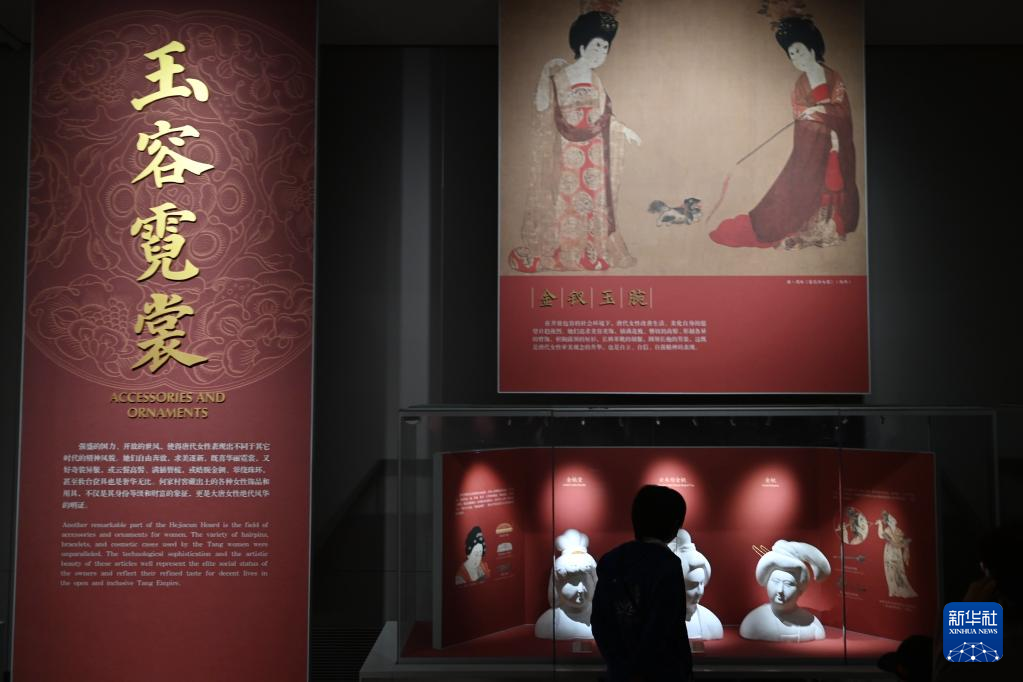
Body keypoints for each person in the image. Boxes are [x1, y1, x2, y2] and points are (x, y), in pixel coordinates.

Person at [508, 10, 641, 273]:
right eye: (596, 45)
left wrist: (624, 130)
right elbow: (542, 107)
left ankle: (588, 252)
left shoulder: (596, 80)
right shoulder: (559, 77)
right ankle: (562, 250)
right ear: (581, 45)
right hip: (565, 151)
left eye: (605, 47)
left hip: (594, 154)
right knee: (564, 201)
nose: (600, 52)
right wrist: (545, 74)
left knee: (591, 203)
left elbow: (605, 116)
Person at [711, 16, 859, 249]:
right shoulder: (800, 84)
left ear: (812, 49)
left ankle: (830, 228)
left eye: (800, 51)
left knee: (832, 183)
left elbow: (842, 110)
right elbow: (800, 114)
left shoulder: (832, 77)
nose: (797, 58)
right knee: (800, 184)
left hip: (836, 143)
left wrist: (821, 111)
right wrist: (811, 117)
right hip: (812, 146)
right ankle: (804, 228)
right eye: (792, 55)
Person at [591, 485, 692, 681]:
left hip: (619, 669)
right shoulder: (667, 563)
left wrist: (618, 663)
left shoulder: (612, 559)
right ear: (675, 524)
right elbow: (664, 626)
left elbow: (600, 621)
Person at [738, 539, 831, 642]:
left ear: (800, 589)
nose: (780, 590)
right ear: (766, 583)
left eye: (788, 584)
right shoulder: (752, 623)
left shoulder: (813, 626)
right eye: (775, 581)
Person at [876, 511, 918, 598]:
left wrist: (879, 525)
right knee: (895, 569)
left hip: (891, 551)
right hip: (895, 551)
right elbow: (902, 541)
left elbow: (881, 535)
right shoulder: (897, 530)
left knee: (894, 569)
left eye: (884, 520)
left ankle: (896, 589)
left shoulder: (890, 530)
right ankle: (895, 589)